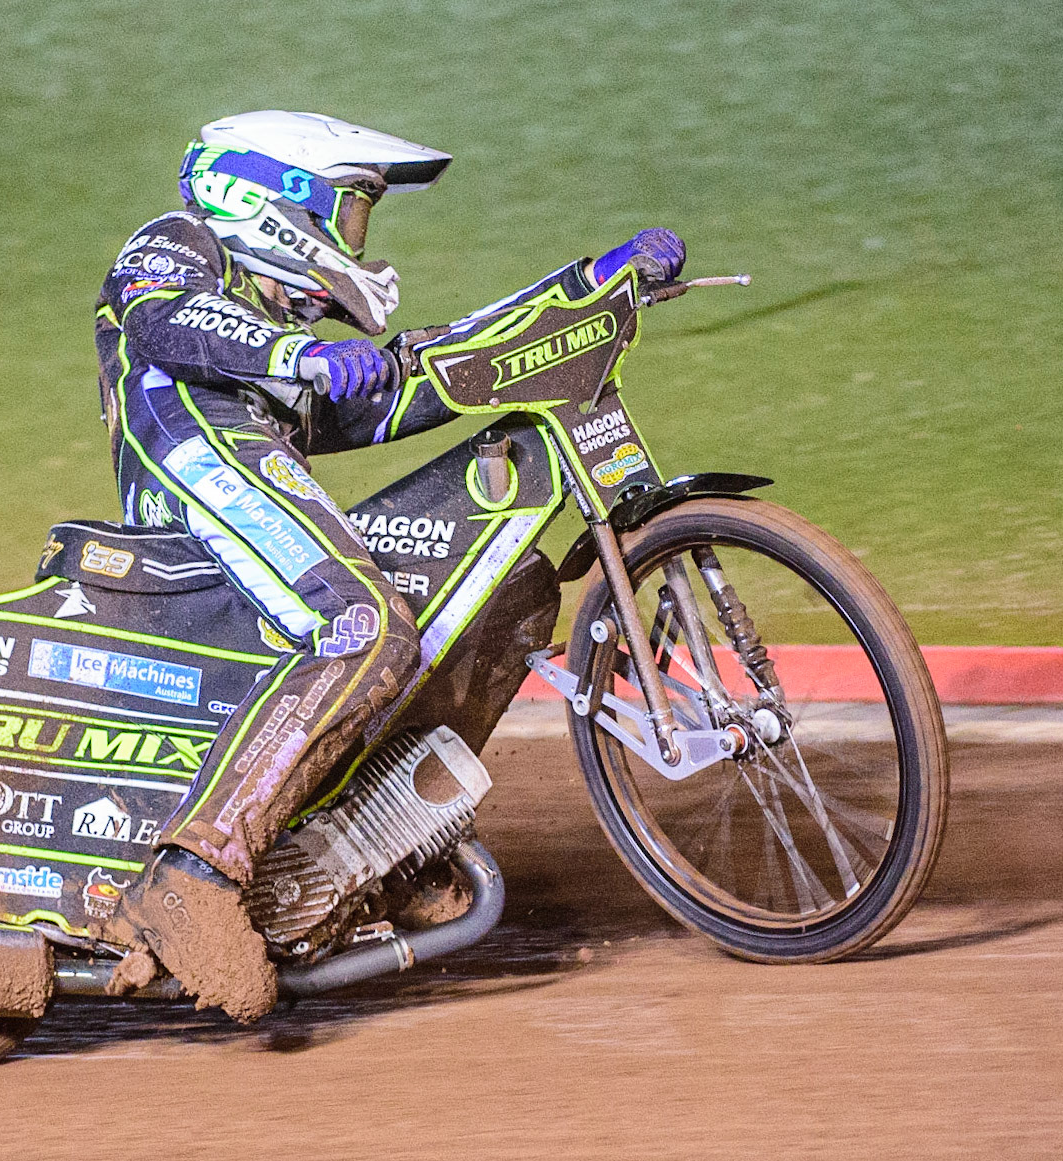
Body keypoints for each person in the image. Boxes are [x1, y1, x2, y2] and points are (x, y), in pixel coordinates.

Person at [91, 110, 684, 1021]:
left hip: (249, 467)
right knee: (362, 623)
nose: (359, 235)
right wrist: (300, 354)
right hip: (194, 469)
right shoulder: (176, 245)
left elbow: (426, 371)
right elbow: (166, 319)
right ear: (270, 200)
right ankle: (191, 874)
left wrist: (588, 285)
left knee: (501, 588)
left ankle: (369, 846)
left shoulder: (286, 323)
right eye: (352, 208)